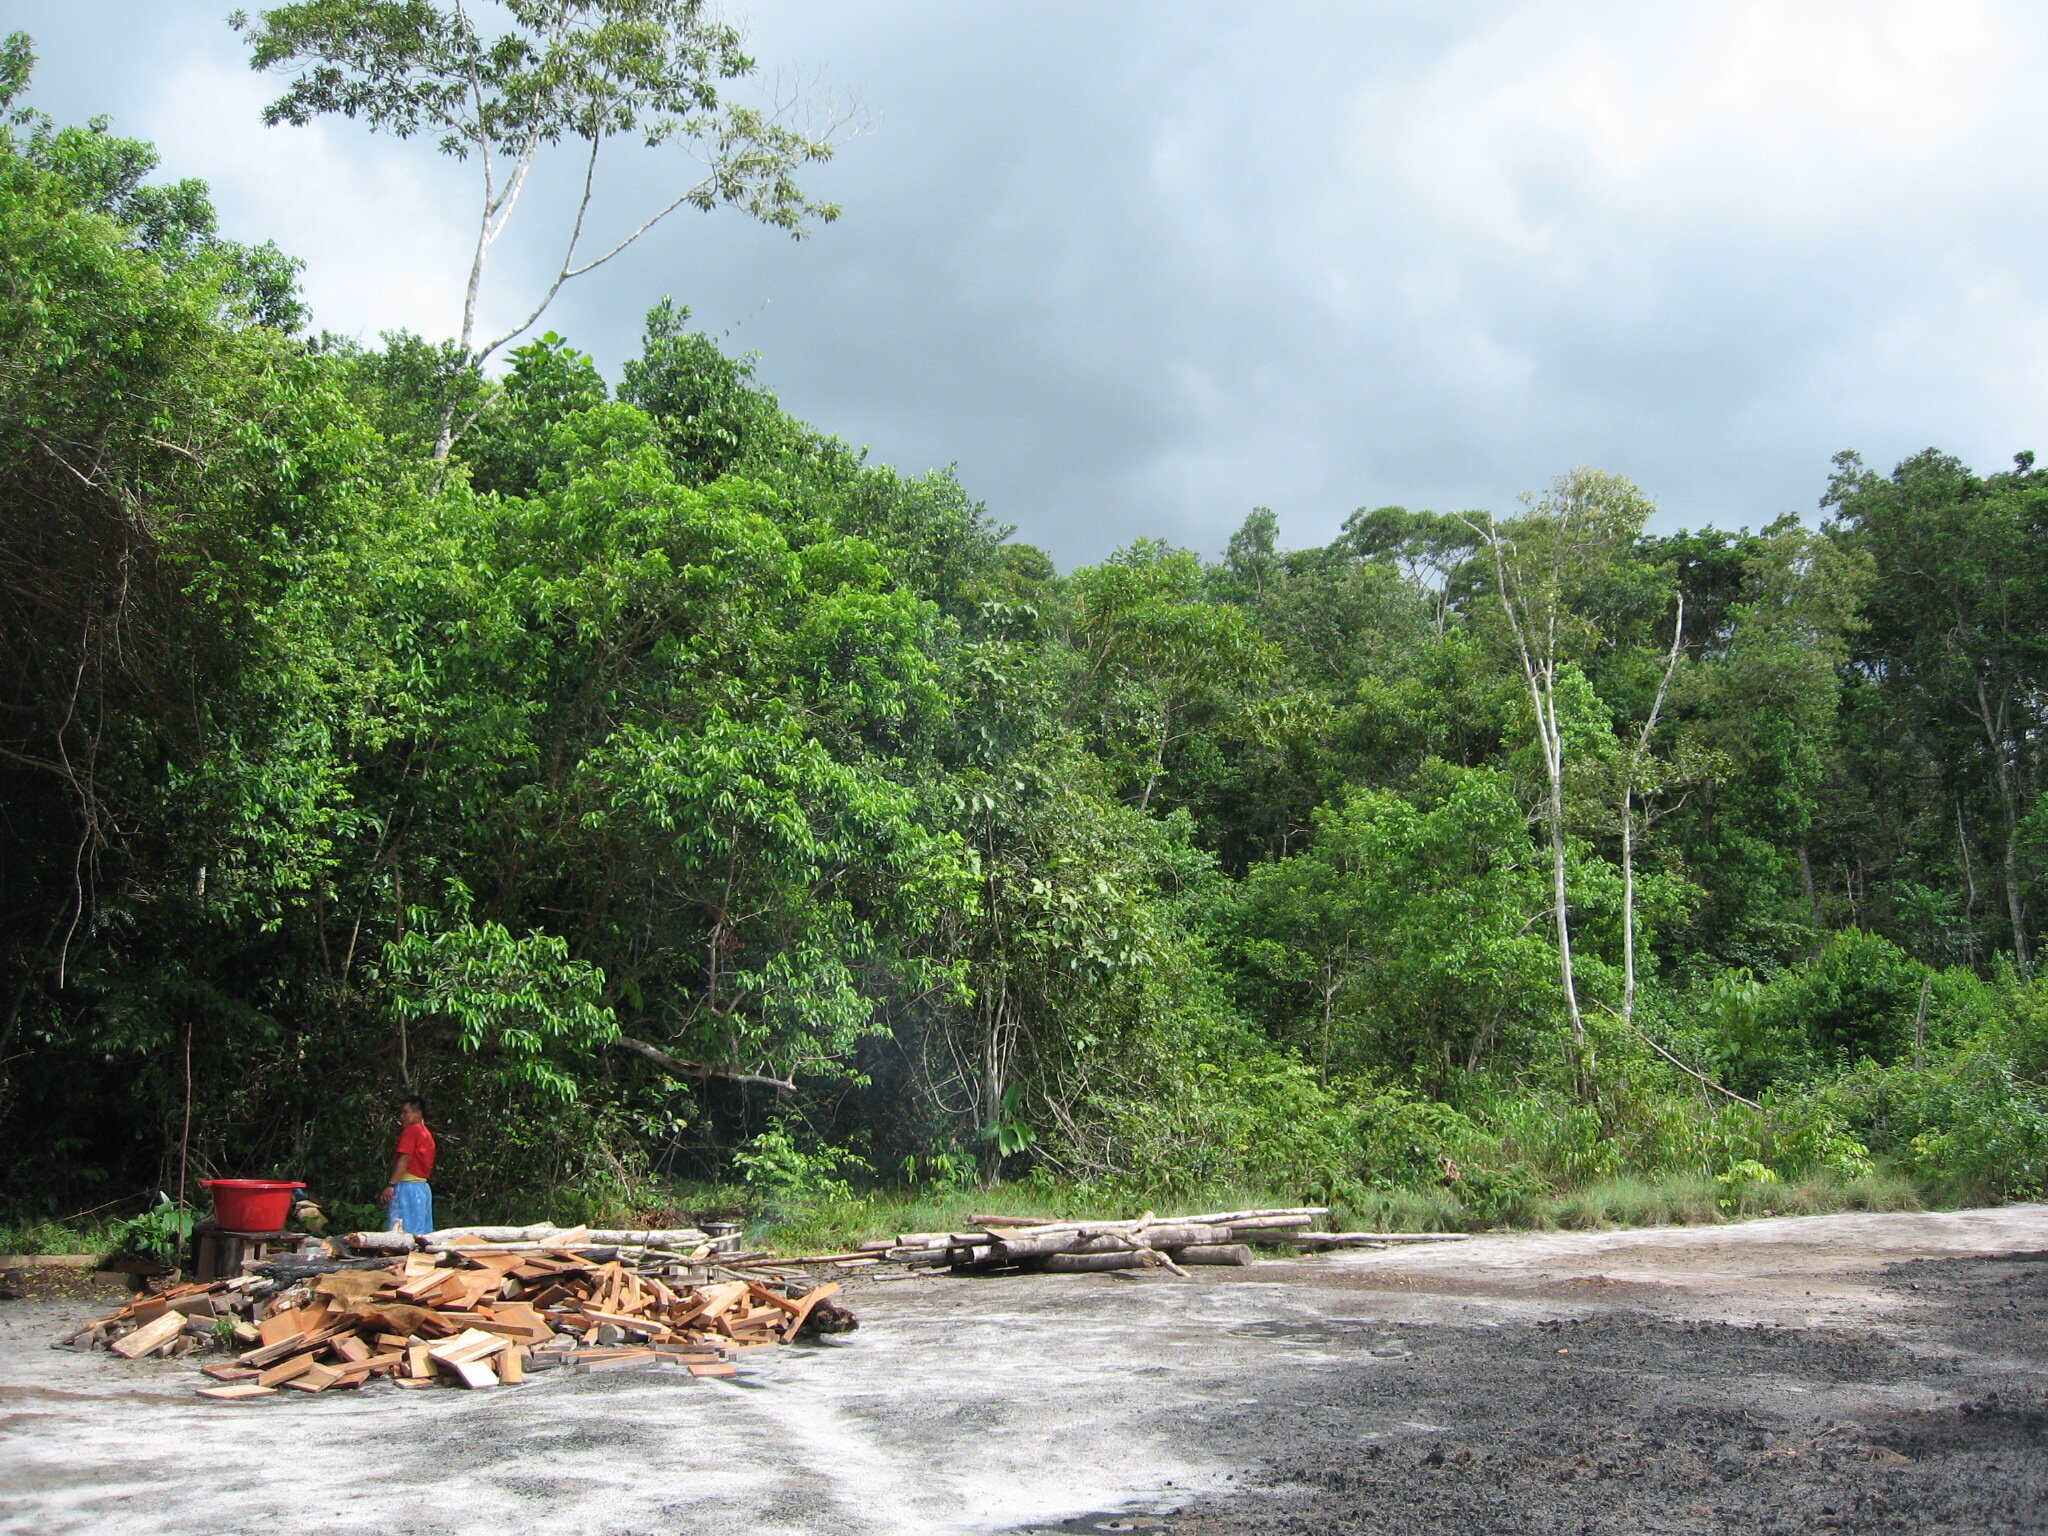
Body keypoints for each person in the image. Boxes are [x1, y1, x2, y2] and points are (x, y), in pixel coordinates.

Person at [380, 1096, 437, 1235]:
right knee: (420, 1233)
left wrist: (391, 1185)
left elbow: (405, 1158)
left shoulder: (412, 1130)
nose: (402, 1116)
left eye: (406, 1112)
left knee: (400, 1234)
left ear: (417, 1113)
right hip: (422, 1188)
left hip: (407, 1188)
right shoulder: (426, 1133)